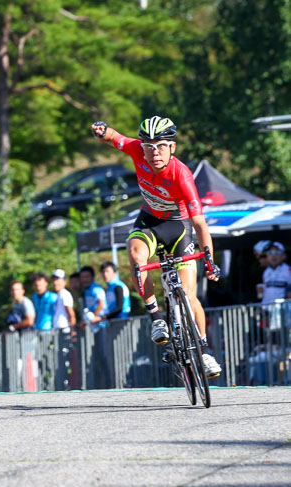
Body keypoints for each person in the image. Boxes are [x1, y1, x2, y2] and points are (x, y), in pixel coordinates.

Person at [91, 116, 222, 378]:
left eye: (161, 145)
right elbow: (115, 138)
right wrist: (101, 131)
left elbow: (199, 223)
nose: (154, 152)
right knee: (136, 255)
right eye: (149, 146)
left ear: (172, 147)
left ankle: (204, 351)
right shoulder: (137, 150)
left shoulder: (181, 174)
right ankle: (157, 319)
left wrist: (209, 260)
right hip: (149, 221)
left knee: (188, 293)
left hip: (178, 227)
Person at [51, 269, 76, 334]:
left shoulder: (65, 294)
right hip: (57, 330)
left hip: (64, 330)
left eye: (58, 279)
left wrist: (73, 331)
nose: (55, 282)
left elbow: (71, 314)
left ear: (64, 281)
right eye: (54, 279)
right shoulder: (58, 295)